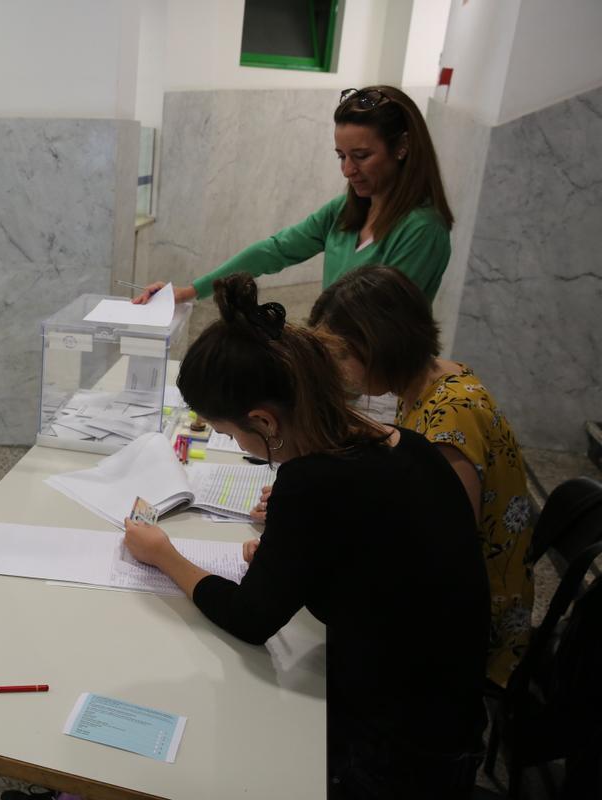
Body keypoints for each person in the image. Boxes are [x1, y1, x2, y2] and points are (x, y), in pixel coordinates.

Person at [123, 274, 489, 798]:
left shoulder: (312, 481)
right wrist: (289, 557)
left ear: (264, 421)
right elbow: (370, 560)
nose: (238, 443)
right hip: (452, 716)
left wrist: (165, 556)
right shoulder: (400, 443)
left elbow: (251, 619)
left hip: (401, 752)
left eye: (230, 433)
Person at [308, 265, 534, 688]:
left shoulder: (451, 420)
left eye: (342, 356)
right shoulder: (435, 379)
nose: (339, 370)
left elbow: (442, 554)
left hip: (470, 628)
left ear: (378, 345)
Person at [136, 86, 454, 306]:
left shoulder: (422, 230)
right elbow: (275, 250)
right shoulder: (346, 211)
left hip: (380, 389)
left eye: (361, 155)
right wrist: (190, 291)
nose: (347, 170)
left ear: (403, 147)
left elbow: (379, 323)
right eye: (340, 156)